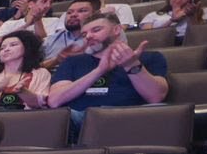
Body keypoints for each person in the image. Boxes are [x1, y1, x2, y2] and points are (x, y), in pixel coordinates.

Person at [47, 12, 169, 141]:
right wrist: (99, 71)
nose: (88, 36)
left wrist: (131, 65)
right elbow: (55, 100)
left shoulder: (149, 57)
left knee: (161, 111)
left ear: (116, 29)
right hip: (83, 118)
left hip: (131, 115)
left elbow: (156, 97)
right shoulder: (73, 62)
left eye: (96, 30)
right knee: (54, 117)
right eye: (84, 34)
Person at [0, 32, 51, 111]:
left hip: (25, 121)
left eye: (13, 45)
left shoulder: (40, 73)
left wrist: (23, 91)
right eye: (2, 48)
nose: (6, 49)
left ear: (27, 48)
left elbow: (41, 105)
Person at [138, 0, 207, 40]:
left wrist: (192, 16)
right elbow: (147, 38)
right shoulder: (153, 15)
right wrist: (172, 20)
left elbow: (202, 37)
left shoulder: (204, 11)